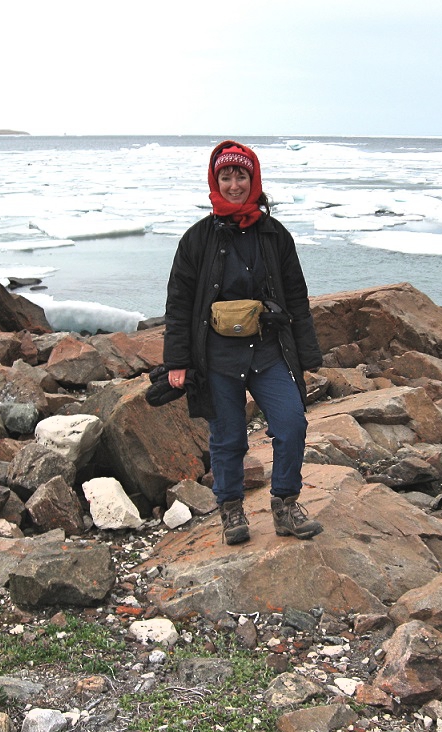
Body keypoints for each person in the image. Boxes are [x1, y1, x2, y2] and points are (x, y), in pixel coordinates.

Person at [163, 140, 323, 545]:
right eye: (226, 177)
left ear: (254, 180)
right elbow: (179, 303)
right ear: (215, 181)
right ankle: (231, 511)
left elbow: (297, 296)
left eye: (241, 176)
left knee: (291, 424)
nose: (234, 184)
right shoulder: (196, 239)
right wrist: (176, 362)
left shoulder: (274, 235)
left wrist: (307, 355)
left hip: (268, 352)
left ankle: (285, 505)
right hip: (216, 357)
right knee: (228, 437)